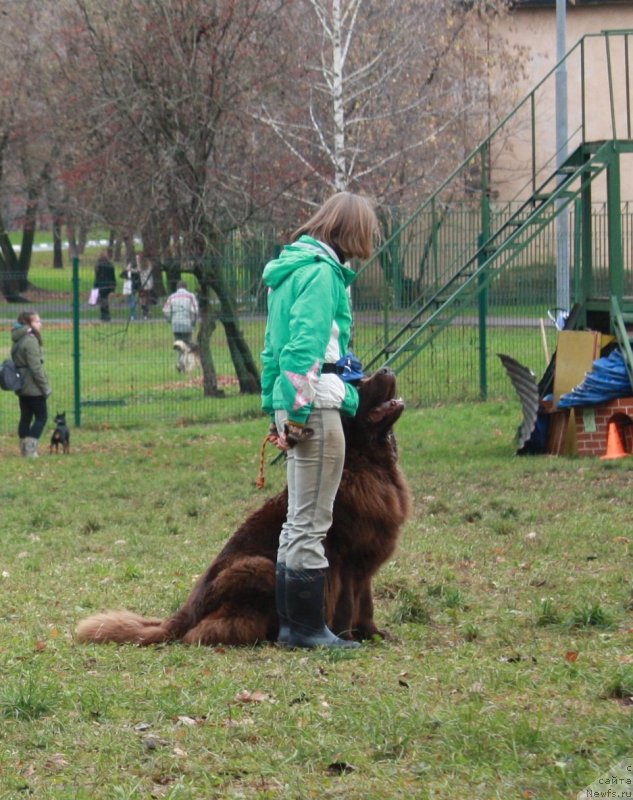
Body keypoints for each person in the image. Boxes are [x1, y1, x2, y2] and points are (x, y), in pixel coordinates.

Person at [260, 191, 379, 649]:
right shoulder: (324, 275)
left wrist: (279, 409)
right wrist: (298, 413)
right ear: (352, 232)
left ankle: (296, 627)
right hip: (318, 407)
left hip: (296, 404)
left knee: (296, 521)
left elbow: (274, 351)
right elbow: (304, 349)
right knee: (312, 523)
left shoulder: (287, 272)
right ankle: (307, 631)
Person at [10, 310, 52, 458]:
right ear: (28, 323)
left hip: (21, 384)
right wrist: (45, 387)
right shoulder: (30, 340)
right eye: (37, 321)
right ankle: (30, 448)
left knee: (26, 416)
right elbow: (36, 368)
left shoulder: (18, 338)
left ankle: (23, 448)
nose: (40, 324)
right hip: (33, 385)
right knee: (41, 416)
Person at [162, 280, 199, 371]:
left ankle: (180, 363)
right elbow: (195, 311)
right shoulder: (191, 296)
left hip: (176, 325)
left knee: (179, 345)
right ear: (186, 287)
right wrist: (193, 322)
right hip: (187, 324)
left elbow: (165, 311)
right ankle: (181, 363)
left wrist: (170, 320)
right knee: (186, 344)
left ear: (177, 288)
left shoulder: (172, 297)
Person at [94, 251, 116, 322]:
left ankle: (104, 314)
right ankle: (106, 314)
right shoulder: (110, 265)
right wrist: (113, 285)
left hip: (101, 284)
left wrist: (95, 285)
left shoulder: (98, 265)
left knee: (103, 299)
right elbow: (113, 276)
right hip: (109, 284)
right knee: (105, 299)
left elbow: (97, 276)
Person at [137, 254, 154, 320]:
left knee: (142, 301)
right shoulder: (149, 269)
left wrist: (138, 259)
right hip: (149, 286)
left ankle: (145, 314)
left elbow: (138, 267)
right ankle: (147, 312)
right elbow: (151, 265)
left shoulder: (140, 270)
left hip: (143, 287)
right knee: (147, 300)